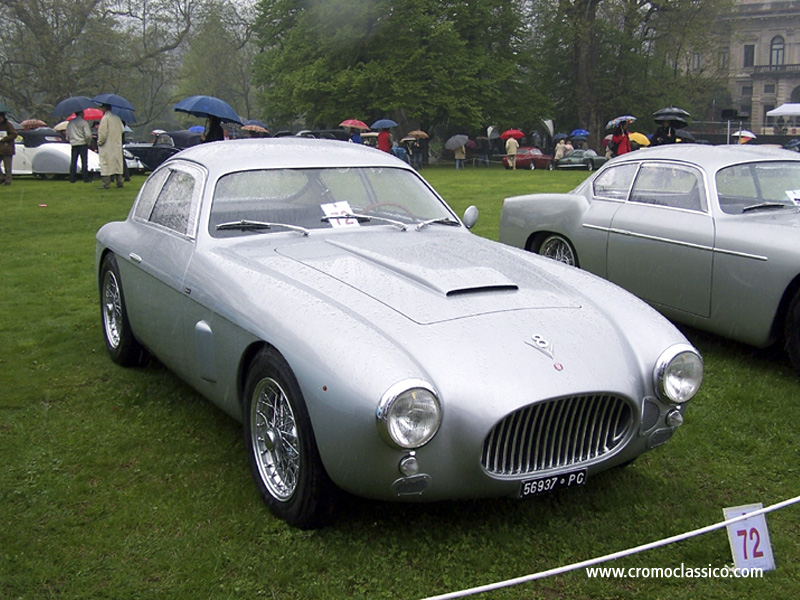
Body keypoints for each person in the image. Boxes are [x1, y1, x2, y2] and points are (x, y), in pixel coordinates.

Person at [97, 104, 125, 189]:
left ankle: (106, 184)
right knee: (117, 164)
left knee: (106, 163)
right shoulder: (117, 117)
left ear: (105, 108)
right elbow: (122, 129)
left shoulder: (105, 118)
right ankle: (120, 182)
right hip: (116, 145)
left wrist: (99, 142)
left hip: (107, 145)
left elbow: (102, 133)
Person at [66, 110, 93, 183]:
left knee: (73, 161)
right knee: (84, 161)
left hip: (74, 144)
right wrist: (88, 142)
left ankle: (72, 178)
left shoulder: (70, 123)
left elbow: (67, 134)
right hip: (82, 143)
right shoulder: (84, 122)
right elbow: (87, 135)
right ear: (81, 114)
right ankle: (85, 178)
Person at [0, 112, 16, 185]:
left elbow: (14, 134)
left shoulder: (8, 125)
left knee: (8, 167)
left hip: (7, 149)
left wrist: (5, 138)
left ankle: (8, 181)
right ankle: (1, 178)